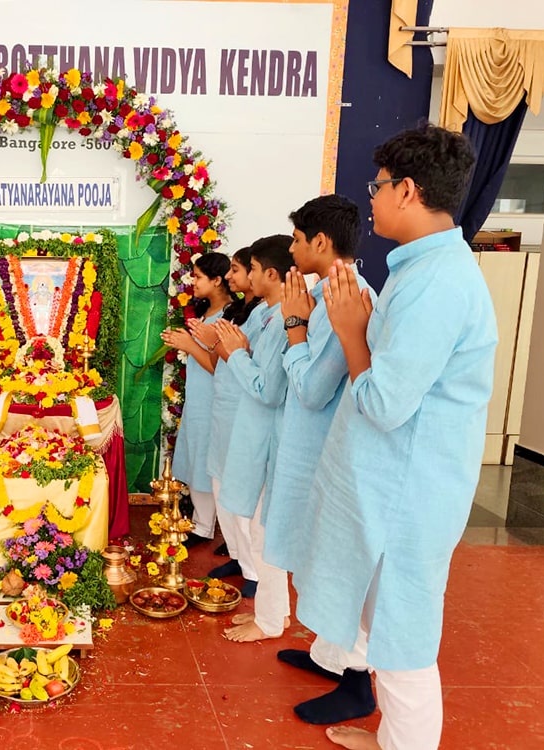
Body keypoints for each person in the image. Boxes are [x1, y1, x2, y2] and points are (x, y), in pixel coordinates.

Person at [293, 124, 497, 750]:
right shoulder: (421, 271)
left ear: (407, 190)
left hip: (410, 496)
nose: (372, 200)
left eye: (377, 187)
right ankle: (390, 739)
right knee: (380, 624)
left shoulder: (438, 283)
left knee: (402, 638)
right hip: (389, 487)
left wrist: (352, 331)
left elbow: (382, 404)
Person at [256, 196, 378, 724]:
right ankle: (330, 659)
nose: (292, 249)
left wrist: (295, 328)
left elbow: (311, 390)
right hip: (308, 449)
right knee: (313, 562)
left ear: (321, 243)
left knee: (332, 567)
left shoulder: (341, 301)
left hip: (327, 456)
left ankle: (357, 684)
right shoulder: (326, 292)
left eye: (298, 240)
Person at [213, 235, 293, 640]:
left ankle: (269, 619)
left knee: (264, 532)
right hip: (252, 432)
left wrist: (235, 355)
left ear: (271, 274)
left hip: (269, 437)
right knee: (259, 527)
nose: (240, 275)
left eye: (252, 268)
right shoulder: (266, 312)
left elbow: (269, 389)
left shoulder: (283, 322)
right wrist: (239, 350)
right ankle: (272, 613)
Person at [188, 247, 263, 584]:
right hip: (224, 407)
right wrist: (211, 343)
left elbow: (247, 361)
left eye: (236, 270)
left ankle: (255, 571)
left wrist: (206, 343)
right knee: (223, 489)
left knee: (244, 494)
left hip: (244, 413)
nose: (231, 277)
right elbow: (224, 361)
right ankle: (237, 556)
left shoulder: (264, 314)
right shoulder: (236, 310)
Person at [161, 252, 234, 548]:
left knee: (209, 462)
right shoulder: (207, 314)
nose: (193, 281)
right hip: (199, 399)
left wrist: (189, 345)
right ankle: (203, 524)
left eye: (199, 276)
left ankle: (213, 530)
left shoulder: (229, 315)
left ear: (217, 281)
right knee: (196, 457)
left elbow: (220, 365)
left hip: (216, 400)